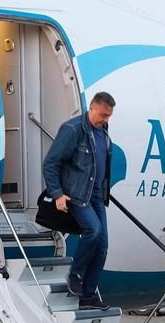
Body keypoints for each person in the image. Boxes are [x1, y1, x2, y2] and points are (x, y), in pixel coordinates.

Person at [42, 92, 116, 310]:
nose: (105, 120)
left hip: (96, 195)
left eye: (109, 116)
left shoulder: (103, 131)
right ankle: (75, 275)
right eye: (103, 115)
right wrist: (57, 194)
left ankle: (88, 296)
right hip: (76, 194)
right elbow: (50, 163)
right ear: (91, 108)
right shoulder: (73, 129)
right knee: (93, 230)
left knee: (102, 246)